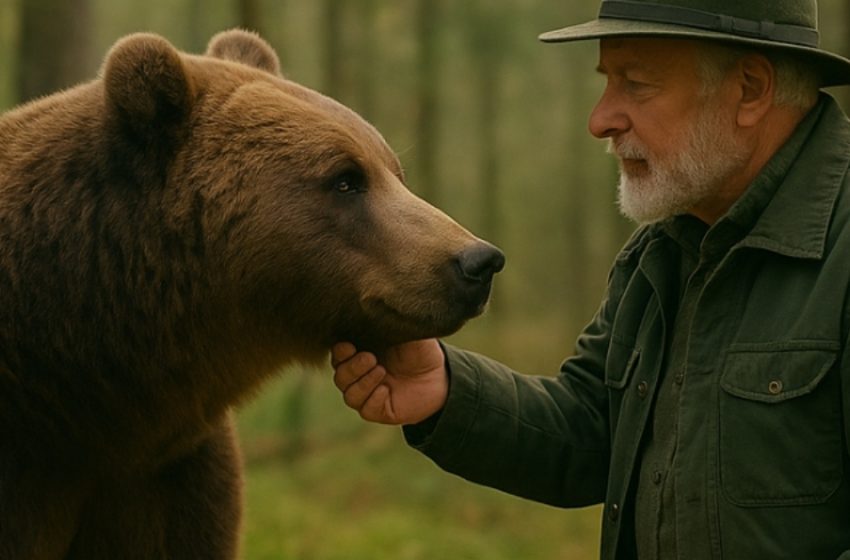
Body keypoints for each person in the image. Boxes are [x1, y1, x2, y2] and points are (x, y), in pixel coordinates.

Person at [331, 1, 850, 558]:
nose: (601, 119)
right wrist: (446, 391)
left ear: (749, 89)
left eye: (637, 84)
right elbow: (592, 429)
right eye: (608, 82)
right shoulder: (666, 248)